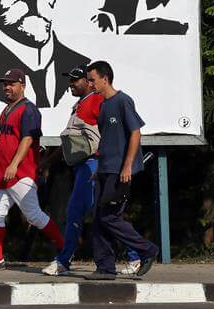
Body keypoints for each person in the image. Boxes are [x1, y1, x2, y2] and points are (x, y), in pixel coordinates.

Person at [41, 65, 140, 276]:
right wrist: (47, 162)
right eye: (70, 80)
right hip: (84, 167)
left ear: (89, 82)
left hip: (93, 165)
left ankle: (64, 261)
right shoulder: (80, 105)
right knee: (105, 215)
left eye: (76, 80)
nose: (71, 84)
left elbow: (113, 134)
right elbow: (72, 142)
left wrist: (118, 163)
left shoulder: (97, 101)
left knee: (78, 212)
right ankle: (135, 255)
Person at [0, 68, 64, 270]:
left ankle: (65, 250)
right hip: (1, 174)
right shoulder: (6, 110)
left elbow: (28, 137)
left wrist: (14, 164)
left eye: (11, 83)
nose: (7, 87)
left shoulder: (28, 109)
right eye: (5, 83)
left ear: (22, 85)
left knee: (34, 215)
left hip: (20, 173)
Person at [83, 60, 158, 280]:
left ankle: (147, 250)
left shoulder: (123, 101)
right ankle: (105, 268)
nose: (90, 84)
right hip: (105, 170)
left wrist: (127, 165)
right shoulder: (104, 105)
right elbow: (109, 140)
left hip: (119, 172)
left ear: (105, 79)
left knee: (109, 217)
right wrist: (99, 168)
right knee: (98, 219)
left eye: (92, 80)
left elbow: (135, 133)